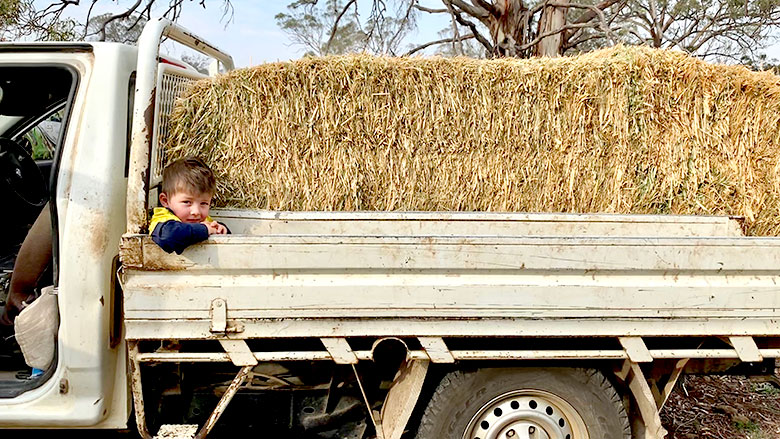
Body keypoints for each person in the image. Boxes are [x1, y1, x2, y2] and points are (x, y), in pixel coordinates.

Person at [150, 157, 229, 254]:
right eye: (187, 202)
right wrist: (206, 229)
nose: (196, 212)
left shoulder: (201, 220)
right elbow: (169, 235)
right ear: (165, 201)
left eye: (204, 203)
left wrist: (221, 228)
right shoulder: (163, 219)